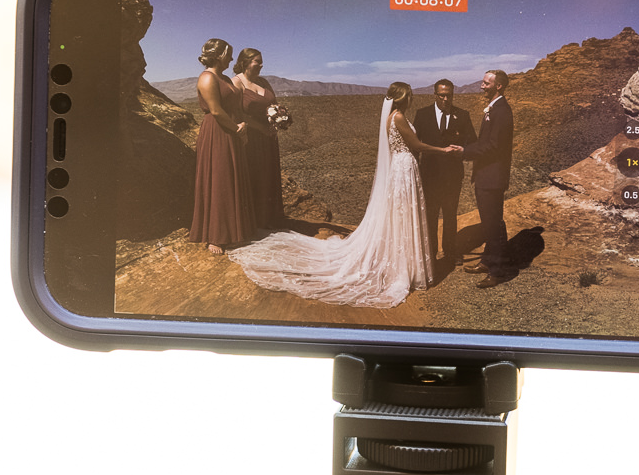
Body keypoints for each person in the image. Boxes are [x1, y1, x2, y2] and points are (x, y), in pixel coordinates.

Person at [229, 82, 455, 307]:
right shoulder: (397, 117)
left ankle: (403, 262)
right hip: (404, 166)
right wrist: (443, 150)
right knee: (403, 214)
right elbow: (415, 144)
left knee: (400, 215)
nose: (411, 99)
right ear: (402, 98)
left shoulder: (392, 116)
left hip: (402, 167)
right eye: (409, 96)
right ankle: (405, 266)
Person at [190, 38, 253, 254]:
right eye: (229, 54)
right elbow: (215, 111)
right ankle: (215, 236)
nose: (232, 59)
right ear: (219, 55)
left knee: (230, 176)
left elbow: (234, 105)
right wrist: (237, 129)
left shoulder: (224, 77)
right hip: (217, 131)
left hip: (231, 129)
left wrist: (241, 123)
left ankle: (233, 231)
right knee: (219, 178)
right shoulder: (207, 78)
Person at [457, 70, 517, 288]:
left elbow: (493, 145)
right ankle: (487, 261)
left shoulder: (501, 111)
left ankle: (497, 270)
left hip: (492, 177)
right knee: (490, 222)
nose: (481, 86)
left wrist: (465, 151)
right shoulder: (495, 107)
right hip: (486, 176)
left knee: (493, 224)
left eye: (485, 83)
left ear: (498, 86)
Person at [410, 79, 473, 265]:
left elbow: (472, 142)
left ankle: (451, 252)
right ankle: (430, 253)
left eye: (449, 95)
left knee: (450, 214)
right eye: (442, 95)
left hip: (452, 176)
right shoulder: (422, 115)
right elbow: (415, 144)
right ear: (435, 95)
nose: (446, 99)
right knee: (430, 215)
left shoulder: (462, 115)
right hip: (429, 176)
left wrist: (461, 149)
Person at [231, 47, 286, 232]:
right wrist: (260, 127)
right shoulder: (237, 83)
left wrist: (279, 118)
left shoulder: (264, 82)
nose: (261, 65)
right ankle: (254, 222)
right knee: (255, 176)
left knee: (269, 174)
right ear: (245, 62)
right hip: (251, 139)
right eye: (257, 61)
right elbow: (237, 113)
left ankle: (269, 219)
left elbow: (275, 105)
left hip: (269, 138)